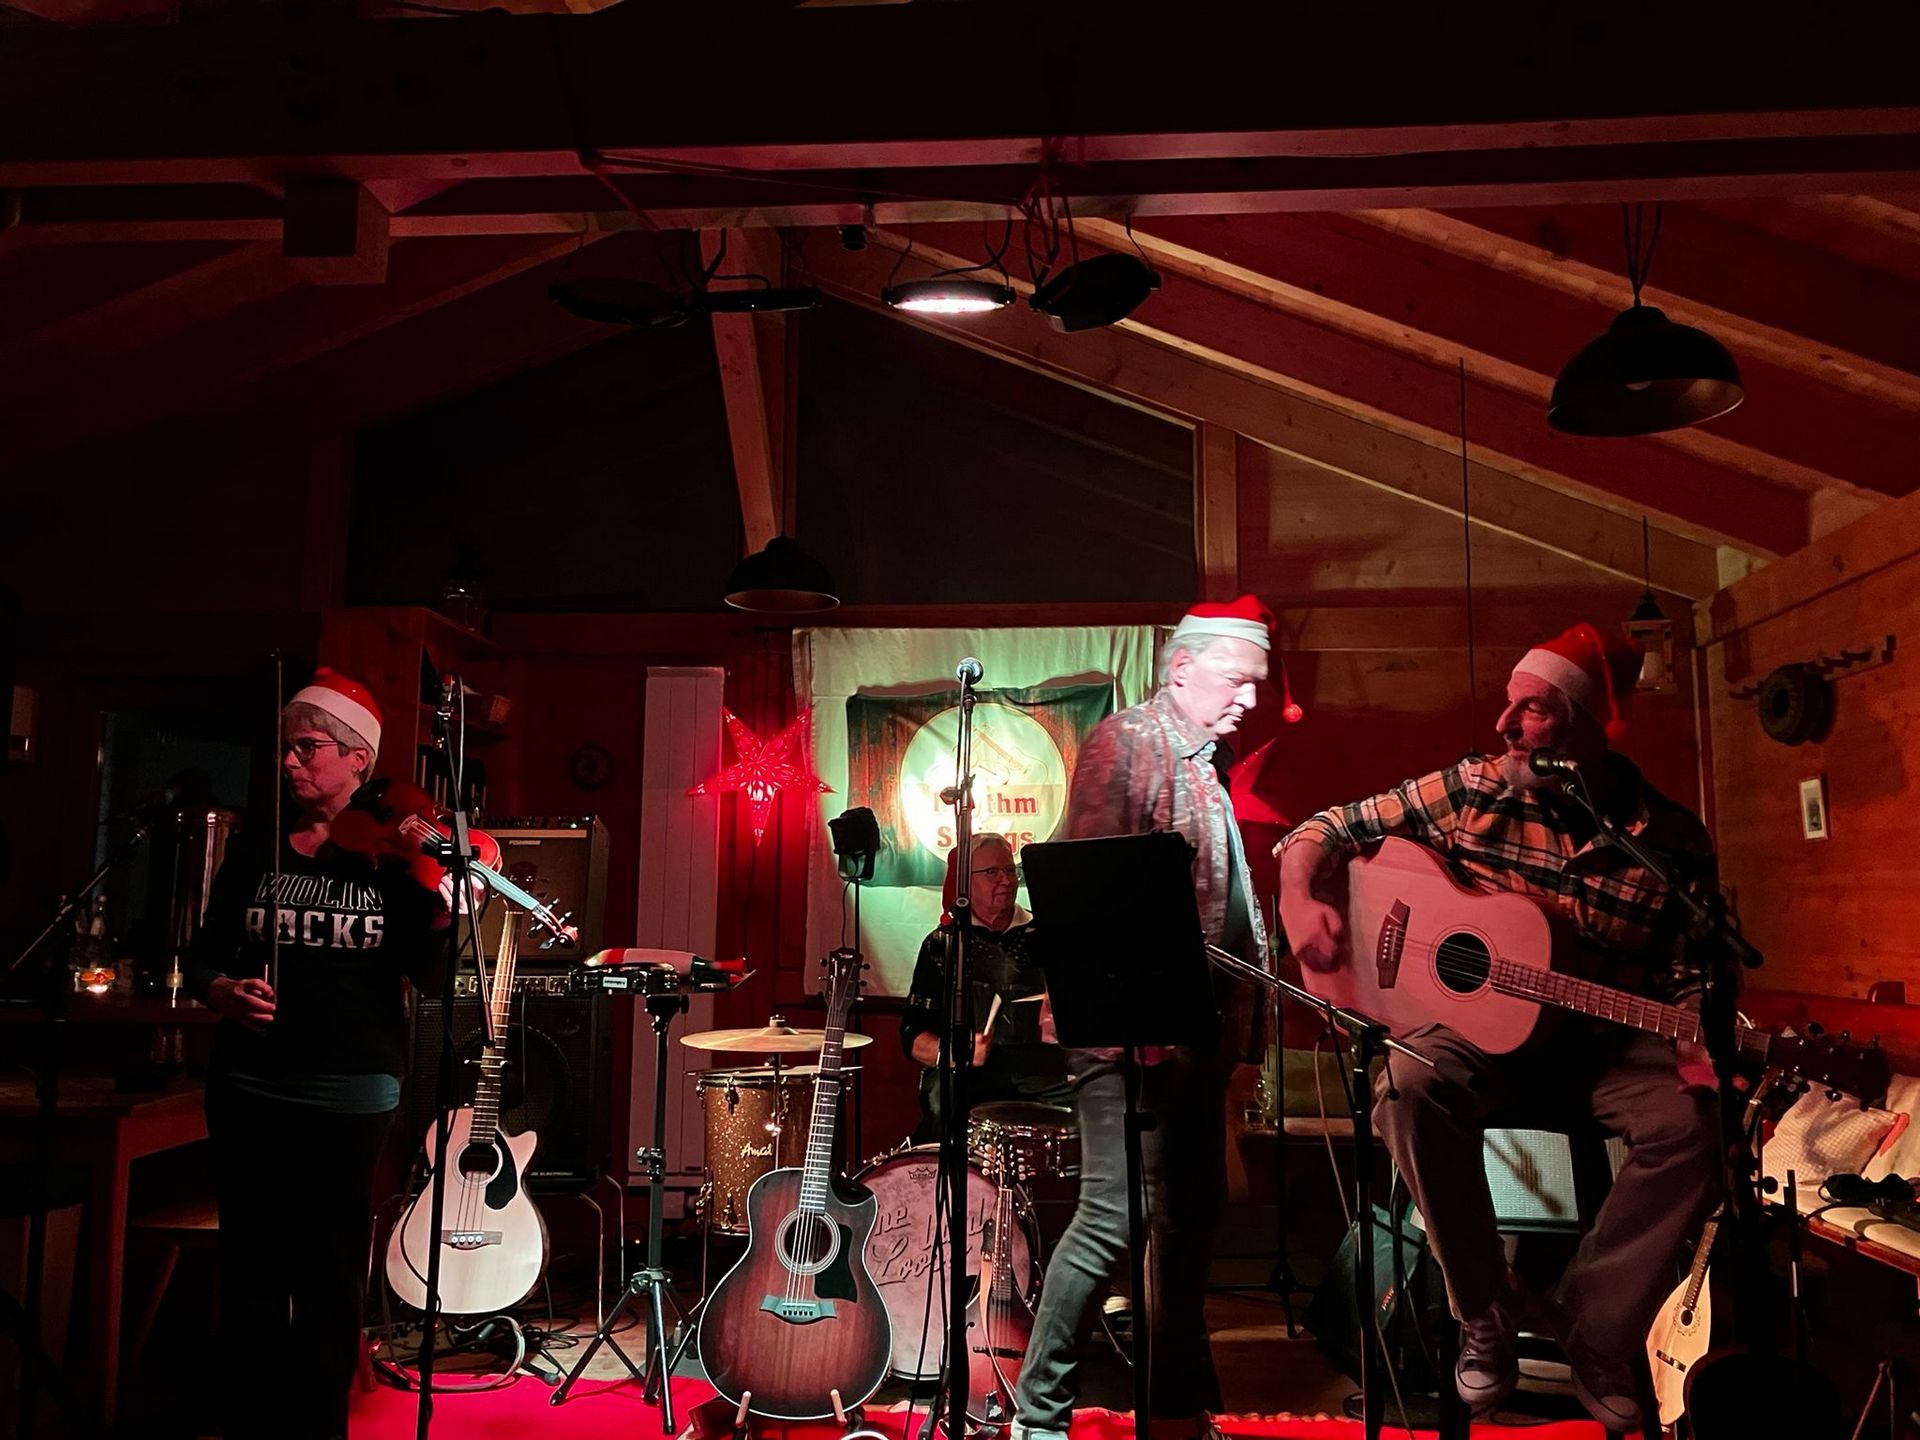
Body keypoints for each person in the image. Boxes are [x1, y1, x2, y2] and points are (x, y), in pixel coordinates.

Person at [1275, 622, 1721, 1433]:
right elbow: (1323, 828)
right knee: (1406, 1086)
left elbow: (1694, 968)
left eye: (1533, 710)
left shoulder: (1672, 841)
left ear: (1587, 731)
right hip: (1480, 1042)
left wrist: (1694, 1039)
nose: (1504, 725)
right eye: (1509, 705)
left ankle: (1593, 1330)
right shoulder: (1474, 788)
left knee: (1692, 1127)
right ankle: (1483, 1310)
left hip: (1601, 1050)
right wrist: (1299, 900)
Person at [1014, 595, 1275, 1440]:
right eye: (1237, 680)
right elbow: (1094, 884)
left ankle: (1173, 1409)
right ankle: (1038, 1414)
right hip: (1131, 1033)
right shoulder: (1128, 741)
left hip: (1194, 1033)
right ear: (1183, 667)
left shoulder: (1205, 762)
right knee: (1112, 1215)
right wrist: (1136, 1019)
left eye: (1258, 682)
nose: (1250, 699)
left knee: (1189, 1219)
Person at [184, 669, 449, 1440]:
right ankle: (257, 1420)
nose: (291, 762)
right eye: (289, 749)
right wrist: (223, 991)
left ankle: (320, 1425)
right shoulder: (257, 847)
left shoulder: (392, 860)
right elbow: (202, 957)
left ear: (358, 757)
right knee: (252, 1266)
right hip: (249, 1079)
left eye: (308, 748)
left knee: (329, 1268)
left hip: (351, 1085)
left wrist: (439, 908)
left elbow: (432, 978)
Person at [899, 832, 1070, 1144]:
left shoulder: (1045, 935)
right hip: (967, 1073)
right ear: (965, 883)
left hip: (1041, 1072)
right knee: (941, 1103)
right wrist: (955, 1053)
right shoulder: (943, 944)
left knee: (1090, 1106)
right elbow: (912, 1035)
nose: (1005, 880)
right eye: (992, 872)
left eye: (1010, 870)